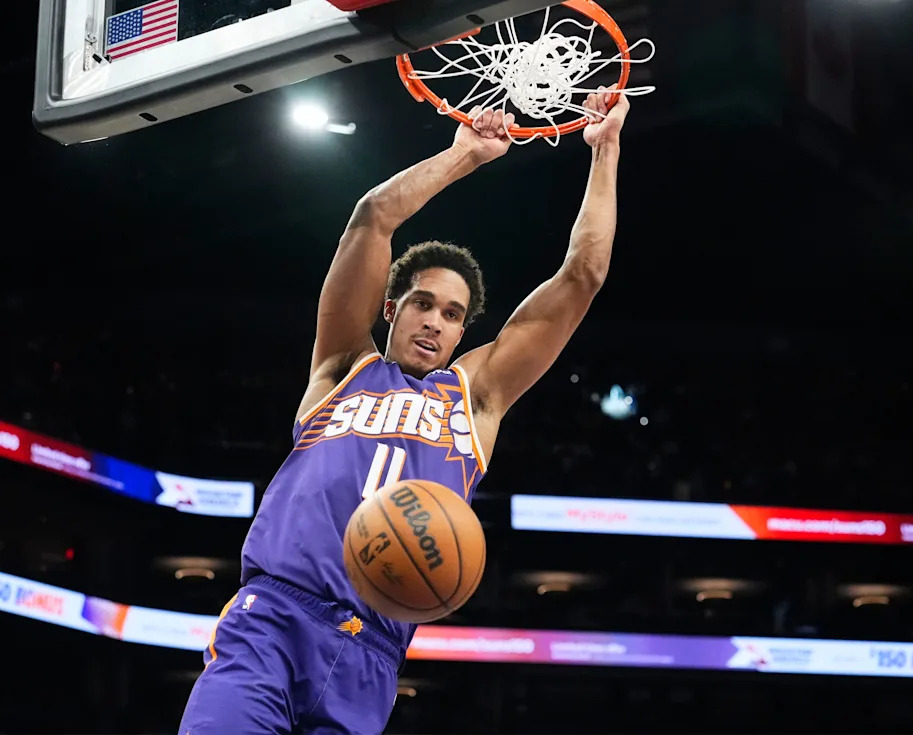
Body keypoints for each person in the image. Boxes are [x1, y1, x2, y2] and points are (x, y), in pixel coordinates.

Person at [178, 87, 630, 735]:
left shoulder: (474, 397)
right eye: (422, 302)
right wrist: (462, 157)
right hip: (274, 620)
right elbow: (371, 219)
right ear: (392, 308)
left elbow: (581, 275)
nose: (434, 321)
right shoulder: (343, 365)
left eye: (451, 314)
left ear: (461, 332)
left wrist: (605, 150)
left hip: (372, 656)